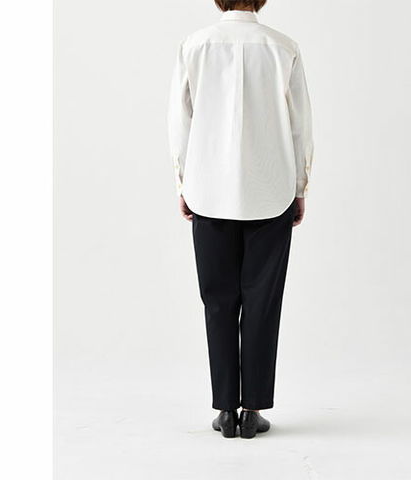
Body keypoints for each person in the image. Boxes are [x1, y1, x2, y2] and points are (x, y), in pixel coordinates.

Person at [168, 0, 313, 439]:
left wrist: (183, 182)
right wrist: (299, 187)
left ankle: (225, 410)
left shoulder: (194, 45)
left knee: (218, 302)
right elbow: (300, 126)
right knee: (262, 303)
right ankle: (253, 410)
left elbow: (181, 121)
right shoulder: (283, 47)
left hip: (209, 191)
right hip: (270, 191)